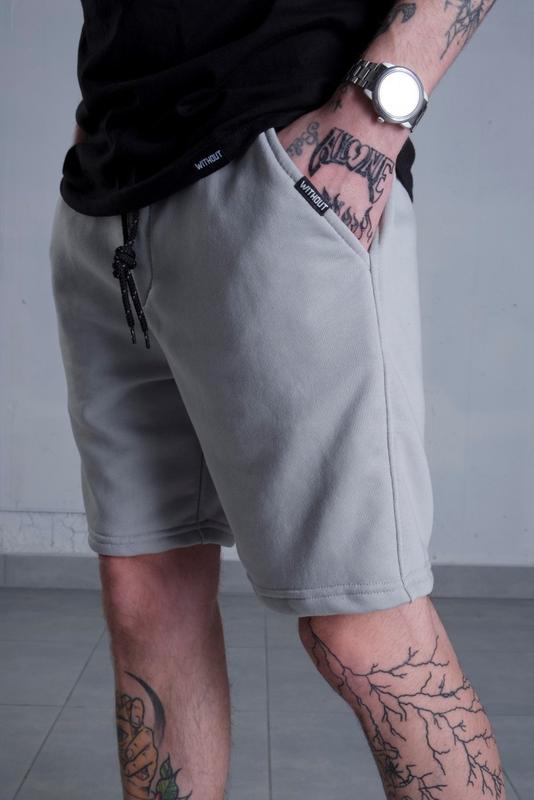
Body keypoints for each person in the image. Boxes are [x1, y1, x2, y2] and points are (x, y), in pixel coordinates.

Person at [48, 1, 506, 798]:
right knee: (145, 595)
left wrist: (375, 114)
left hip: (283, 167)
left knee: (364, 633)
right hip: (110, 197)